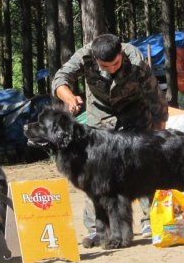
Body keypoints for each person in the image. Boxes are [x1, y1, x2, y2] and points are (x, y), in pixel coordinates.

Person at [52, 33, 169, 244]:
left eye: (116, 63)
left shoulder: (135, 59)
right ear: (96, 60)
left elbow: (156, 99)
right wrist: (70, 98)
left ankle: (151, 219)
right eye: (106, 66)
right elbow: (60, 79)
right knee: (95, 174)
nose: (113, 69)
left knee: (143, 168)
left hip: (135, 116)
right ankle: (98, 229)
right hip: (100, 118)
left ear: (121, 54)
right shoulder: (84, 56)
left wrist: (158, 135)